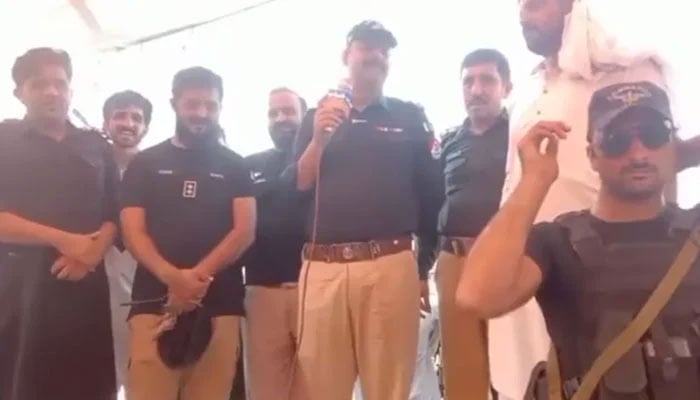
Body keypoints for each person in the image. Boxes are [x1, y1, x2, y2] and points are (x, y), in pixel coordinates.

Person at [492, 1, 700, 398]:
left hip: (601, 280)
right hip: (533, 265)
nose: (523, 13)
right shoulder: (530, 92)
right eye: (520, 4)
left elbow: (658, 174)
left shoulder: (626, 69)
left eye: (535, 4)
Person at [290, 20, 443, 400]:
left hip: (389, 266)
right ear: (347, 55)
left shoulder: (410, 117)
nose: (375, 56)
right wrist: (320, 140)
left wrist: (422, 268)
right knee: (321, 389)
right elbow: (298, 185)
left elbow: (432, 196)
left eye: (383, 50)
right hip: (322, 270)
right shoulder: (315, 116)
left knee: (390, 389)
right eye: (366, 47)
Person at [120, 66, 256, 400]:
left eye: (211, 106)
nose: (201, 113)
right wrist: (172, 278)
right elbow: (133, 231)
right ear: (174, 104)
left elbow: (244, 231)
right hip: (154, 302)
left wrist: (195, 279)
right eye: (193, 104)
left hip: (220, 304)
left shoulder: (235, 165)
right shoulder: (145, 163)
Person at [0, 47, 118, 400]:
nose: (52, 91)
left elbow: (114, 210)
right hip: (19, 288)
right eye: (39, 84)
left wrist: (91, 254)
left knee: (88, 385)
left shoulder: (95, 144)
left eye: (60, 83)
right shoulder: (3, 141)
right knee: (22, 382)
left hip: (86, 289)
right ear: (19, 92)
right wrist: (65, 240)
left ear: (70, 89)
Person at [434, 48, 511, 400]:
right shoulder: (449, 141)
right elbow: (433, 201)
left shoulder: (521, 134)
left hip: (507, 262)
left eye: (487, 80)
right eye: (468, 81)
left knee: (514, 363)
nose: (476, 89)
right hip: (454, 263)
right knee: (463, 372)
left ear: (506, 86)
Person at [242, 87, 307, 400]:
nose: (281, 118)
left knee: (321, 389)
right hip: (261, 292)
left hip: (315, 292)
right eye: (273, 113)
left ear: (304, 116)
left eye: (288, 111)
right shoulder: (247, 165)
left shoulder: (326, 161)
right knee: (266, 390)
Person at [101, 89, 153, 395]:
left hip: (140, 276)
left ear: (145, 127)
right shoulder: (89, 165)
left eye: (136, 118)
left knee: (139, 369)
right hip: (95, 276)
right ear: (106, 122)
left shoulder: (153, 169)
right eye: (120, 115)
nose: (128, 123)